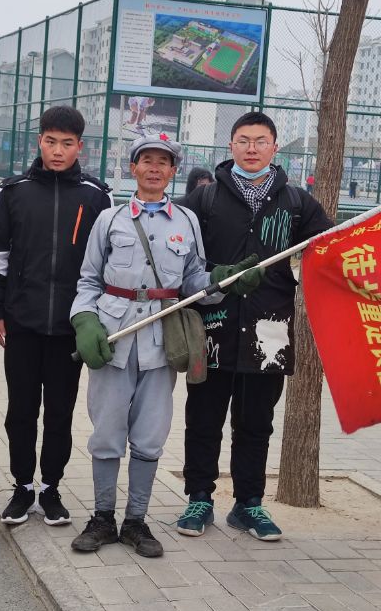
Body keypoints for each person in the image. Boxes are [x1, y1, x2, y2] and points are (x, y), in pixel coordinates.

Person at [69, 134, 263, 558]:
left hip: (161, 342)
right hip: (113, 339)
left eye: (163, 162)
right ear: (133, 168)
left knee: (149, 436)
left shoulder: (186, 222)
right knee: (107, 434)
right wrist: (84, 320)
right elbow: (88, 280)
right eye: (147, 161)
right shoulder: (110, 219)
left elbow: (193, 281)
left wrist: (223, 279)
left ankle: (135, 522)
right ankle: (102, 518)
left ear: (174, 171)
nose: (154, 168)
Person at [176, 112, 332, 541]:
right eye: (243, 140)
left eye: (260, 141)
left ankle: (249, 504)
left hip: (270, 331)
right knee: (204, 418)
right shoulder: (205, 199)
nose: (251, 148)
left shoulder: (296, 202)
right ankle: (199, 498)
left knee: (256, 423)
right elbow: (180, 256)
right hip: (213, 327)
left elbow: (329, 246)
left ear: (274, 147)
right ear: (231, 146)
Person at [0, 105, 112, 526]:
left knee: (60, 413)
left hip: (71, 327)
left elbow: (106, 264)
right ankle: (22, 487)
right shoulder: (12, 191)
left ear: (80, 147)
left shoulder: (97, 196)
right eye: (50, 142)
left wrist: (95, 317)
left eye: (66, 143)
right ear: (39, 141)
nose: (57, 151)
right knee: (20, 411)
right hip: (22, 323)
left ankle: (51, 488)